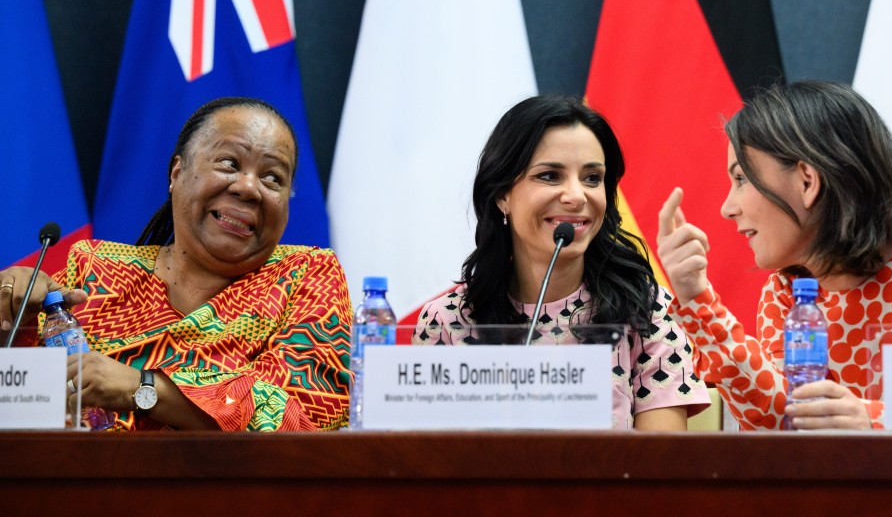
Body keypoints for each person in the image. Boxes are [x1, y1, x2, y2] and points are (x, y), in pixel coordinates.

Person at [657, 80, 892, 430]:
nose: (727, 208)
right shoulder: (787, 294)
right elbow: (778, 421)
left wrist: (875, 422)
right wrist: (695, 296)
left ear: (807, 181)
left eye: (741, 179)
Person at [0, 97, 352, 431]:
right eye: (230, 163)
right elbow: (22, 401)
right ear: (176, 173)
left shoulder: (308, 276)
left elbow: (306, 417)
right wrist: (11, 324)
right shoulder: (93, 273)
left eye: (273, 177)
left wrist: (143, 389)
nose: (249, 188)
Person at [414, 95, 710, 430]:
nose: (576, 196)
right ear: (502, 195)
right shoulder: (448, 320)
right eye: (551, 176)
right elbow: (433, 468)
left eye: (592, 178)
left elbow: (661, 465)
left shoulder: (644, 307)